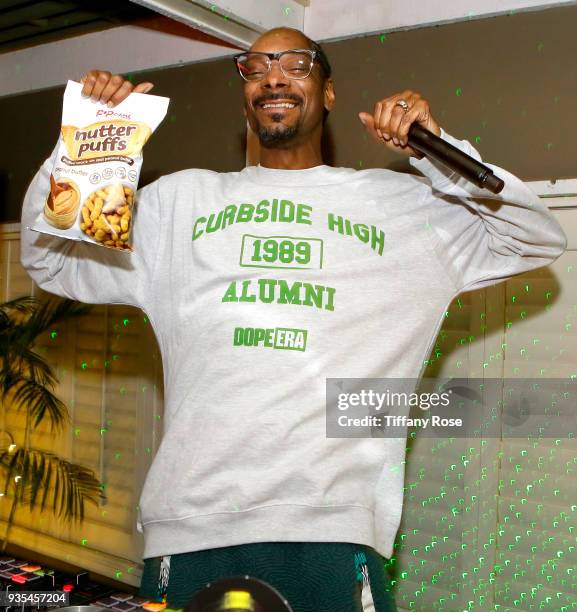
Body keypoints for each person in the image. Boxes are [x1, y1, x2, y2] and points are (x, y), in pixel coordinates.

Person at [20, 25, 566, 612]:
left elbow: (533, 239)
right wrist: (92, 140)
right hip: (193, 525)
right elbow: (52, 260)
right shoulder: (179, 204)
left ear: (328, 93)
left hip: (333, 532)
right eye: (254, 68)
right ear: (245, 93)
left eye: (296, 64)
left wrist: (438, 154)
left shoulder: (404, 207)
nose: (273, 76)